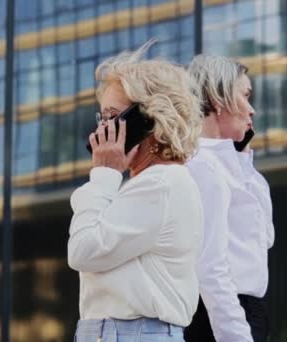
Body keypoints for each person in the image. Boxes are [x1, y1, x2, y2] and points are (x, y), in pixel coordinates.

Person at [68, 43, 204, 342]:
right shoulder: (150, 184)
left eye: (113, 117)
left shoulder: (160, 184)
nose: (101, 132)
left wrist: (104, 174)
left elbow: (82, 251)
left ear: (147, 120)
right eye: (101, 119)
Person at [184, 55, 275, 342]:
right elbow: (210, 267)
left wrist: (242, 159)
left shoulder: (238, 167)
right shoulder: (198, 165)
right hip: (219, 313)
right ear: (217, 97)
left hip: (249, 310)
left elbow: (265, 239)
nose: (252, 109)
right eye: (245, 96)